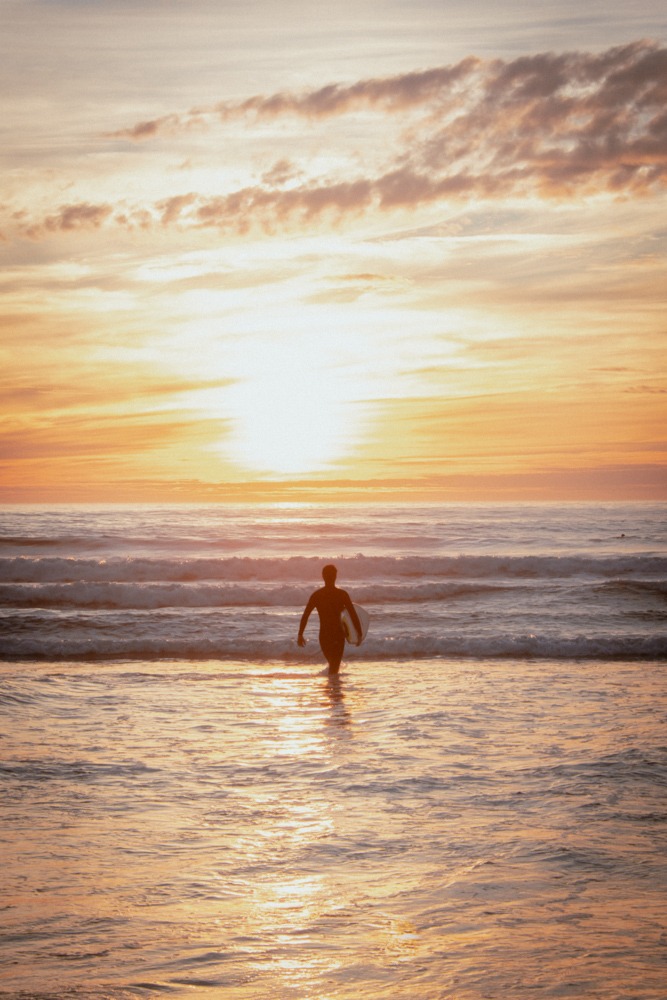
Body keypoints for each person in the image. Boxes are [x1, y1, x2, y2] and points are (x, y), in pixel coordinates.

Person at [297, 564, 361, 674]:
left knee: (333, 665)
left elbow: (305, 615)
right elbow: (353, 614)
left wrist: (300, 634)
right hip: (338, 635)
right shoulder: (342, 594)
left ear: (322, 576)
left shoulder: (317, 595)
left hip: (324, 636)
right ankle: (334, 688)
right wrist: (359, 633)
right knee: (334, 667)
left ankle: (332, 688)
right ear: (335, 576)